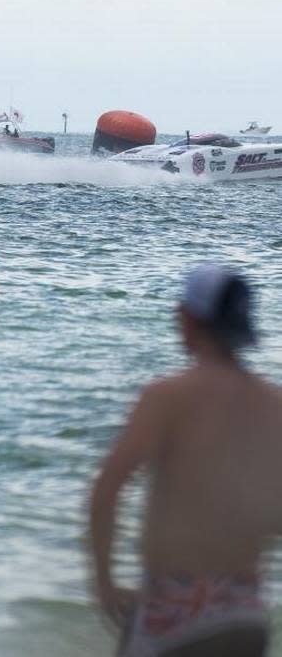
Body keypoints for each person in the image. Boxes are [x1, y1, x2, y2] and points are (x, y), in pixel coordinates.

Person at [89, 265, 279, 657]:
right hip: (245, 616)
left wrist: (104, 581)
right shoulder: (273, 405)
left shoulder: (167, 397)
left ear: (190, 319)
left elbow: (107, 491)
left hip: (174, 618)